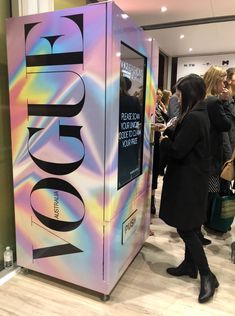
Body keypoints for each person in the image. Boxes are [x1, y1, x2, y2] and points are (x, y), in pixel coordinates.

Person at [159, 74, 219, 304]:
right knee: (191, 225)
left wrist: (164, 140)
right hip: (193, 179)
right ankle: (188, 265)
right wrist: (170, 131)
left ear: (189, 94)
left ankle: (207, 275)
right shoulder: (198, 113)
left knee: (187, 229)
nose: (177, 97)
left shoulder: (194, 117)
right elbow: (186, 138)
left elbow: (178, 151)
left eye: (180, 93)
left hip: (188, 181)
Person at [203, 66, 231, 231]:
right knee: (209, 193)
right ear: (216, 81)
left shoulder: (204, 99)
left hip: (206, 155)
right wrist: (225, 102)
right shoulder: (214, 101)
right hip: (212, 157)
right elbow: (226, 124)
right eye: (223, 81)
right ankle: (202, 226)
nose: (225, 85)